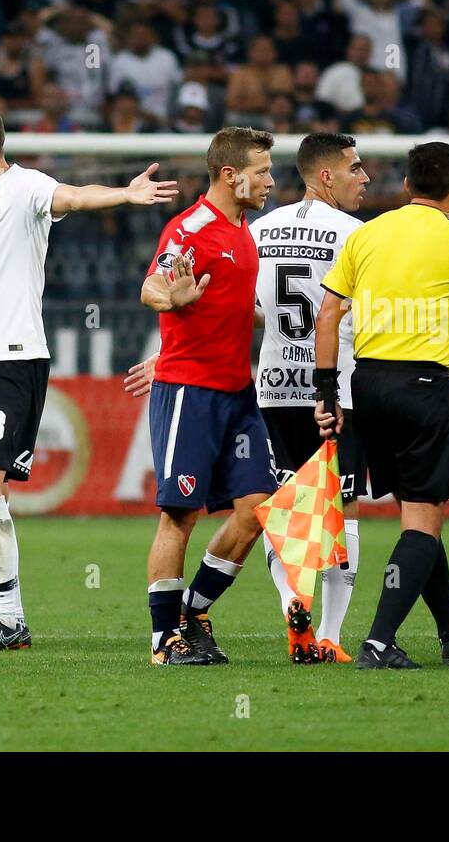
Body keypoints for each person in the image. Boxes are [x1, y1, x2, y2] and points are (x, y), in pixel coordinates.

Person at [0, 99, 177, 651]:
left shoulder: (25, 187)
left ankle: (9, 616)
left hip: (14, 355)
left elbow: (72, 195)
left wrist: (124, 193)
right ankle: (7, 616)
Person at [314, 141, 449, 669]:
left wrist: (328, 393)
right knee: (421, 523)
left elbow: (328, 314)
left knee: (419, 516)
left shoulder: (365, 234)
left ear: (407, 186)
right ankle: (378, 640)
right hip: (422, 386)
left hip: (364, 384)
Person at [138, 127, 278, 667]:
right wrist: (169, 298)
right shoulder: (191, 228)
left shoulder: (242, 229)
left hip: (238, 394)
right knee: (180, 515)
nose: (270, 180)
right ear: (230, 175)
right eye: (262, 171)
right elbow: (153, 286)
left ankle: (191, 615)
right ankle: (162, 641)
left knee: (256, 509)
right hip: (190, 393)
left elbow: (232, 306)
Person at [252, 133, 369, 663]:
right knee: (341, 511)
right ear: (326, 176)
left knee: (289, 510)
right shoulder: (355, 235)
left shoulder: (260, 229)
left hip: (275, 386)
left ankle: (291, 602)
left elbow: (247, 306)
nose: (363, 177)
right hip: (336, 390)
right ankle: (329, 634)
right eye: (354, 168)